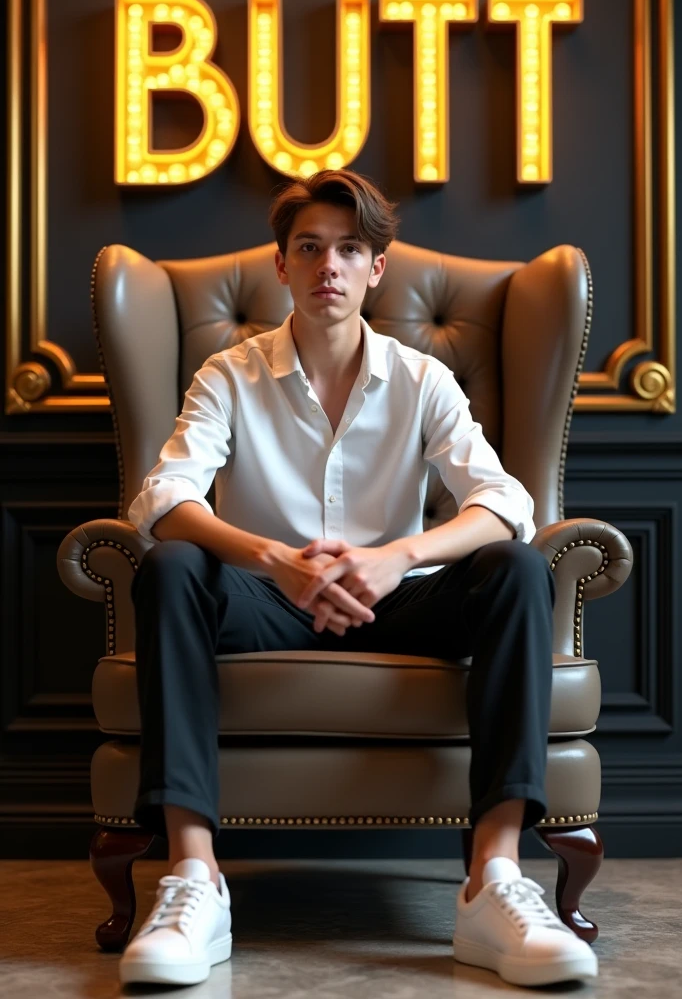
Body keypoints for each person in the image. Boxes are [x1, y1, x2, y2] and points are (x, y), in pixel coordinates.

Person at [119, 169, 598, 989]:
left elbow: (503, 501)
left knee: (516, 567)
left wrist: (396, 558)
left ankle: (496, 879)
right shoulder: (228, 376)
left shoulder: (421, 379)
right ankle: (195, 877)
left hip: (400, 599)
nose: (327, 267)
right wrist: (276, 560)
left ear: (378, 267)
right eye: (309, 248)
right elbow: (162, 498)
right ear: (282, 266)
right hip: (267, 598)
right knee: (172, 568)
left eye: (349, 250)